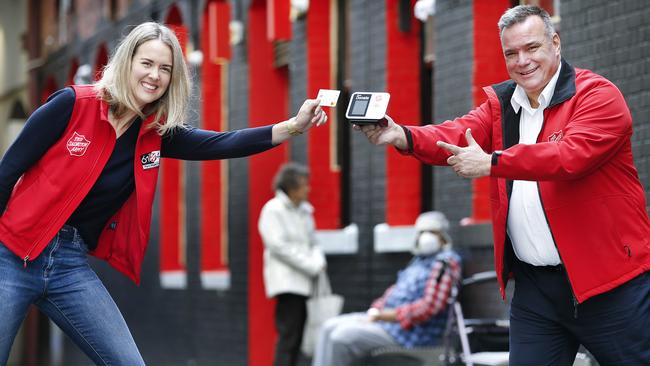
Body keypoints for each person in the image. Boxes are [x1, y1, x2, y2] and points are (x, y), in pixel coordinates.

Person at [0, 22, 327, 365]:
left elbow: (223, 142)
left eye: (165, 69)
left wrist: (293, 125)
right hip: (12, 254)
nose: (155, 75)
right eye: (147, 63)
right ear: (127, 62)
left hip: (68, 265)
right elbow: (7, 174)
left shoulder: (155, 135)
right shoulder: (71, 105)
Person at [358, 5, 650, 365]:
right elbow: (455, 133)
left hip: (609, 285)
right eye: (511, 53)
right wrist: (401, 134)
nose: (522, 61)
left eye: (532, 48)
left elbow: (568, 157)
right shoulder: (503, 104)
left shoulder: (597, 96)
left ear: (555, 43)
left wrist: (492, 162)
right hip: (536, 292)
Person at [311, 211, 462, 366]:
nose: (426, 236)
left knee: (341, 338)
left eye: (432, 232)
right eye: (422, 232)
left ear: (443, 236)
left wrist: (386, 315)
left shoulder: (446, 263)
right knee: (328, 326)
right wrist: (377, 309)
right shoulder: (418, 261)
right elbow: (396, 289)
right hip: (385, 322)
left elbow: (430, 307)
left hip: (406, 333)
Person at [258, 162, 327, 366]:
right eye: (304, 184)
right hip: (288, 285)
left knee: (299, 339)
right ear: (291, 186)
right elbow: (278, 246)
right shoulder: (273, 210)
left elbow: (313, 242)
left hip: (307, 283)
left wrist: (318, 261)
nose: (308, 188)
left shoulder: (305, 210)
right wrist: (312, 265)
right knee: (289, 338)